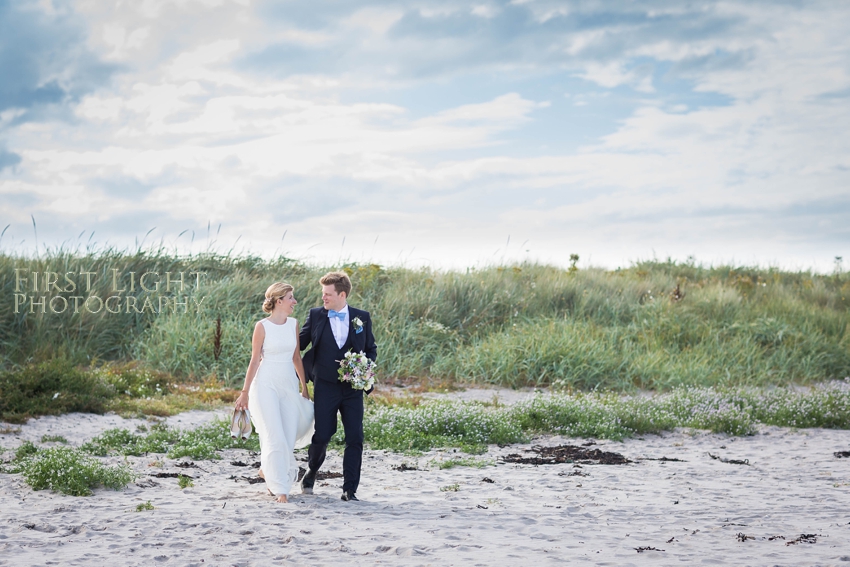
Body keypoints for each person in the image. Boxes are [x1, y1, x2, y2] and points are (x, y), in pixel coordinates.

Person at [299, 271, 377, 502]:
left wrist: (364, 369)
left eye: (327, 294)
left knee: (355, 437)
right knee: (323, 434)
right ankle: (311, 471)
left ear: (342, 294)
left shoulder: (362, 317)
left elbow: (370, 348)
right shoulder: (316, 315)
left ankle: (349, 489)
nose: (323, 298)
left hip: (353, 389)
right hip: (325, 385)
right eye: (323, 294)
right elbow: (298, 344)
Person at [234, 282, 314, 503]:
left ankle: (266, 470)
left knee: (287, 437)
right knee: (275, 435)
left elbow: (296, 357)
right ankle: (280, 489)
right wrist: (245, 392)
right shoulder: (262, 326)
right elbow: (254, 360)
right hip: (266, 384)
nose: (294, 302)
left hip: (288, 384)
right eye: (291, 297)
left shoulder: (293, 324)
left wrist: (304, 387)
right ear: (279, 301)